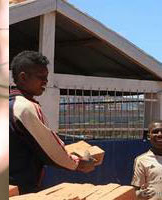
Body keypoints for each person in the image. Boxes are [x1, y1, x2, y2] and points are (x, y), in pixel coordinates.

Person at [7, 51, 96, 194]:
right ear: (23, 77)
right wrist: (79, 164)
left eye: (46, 77)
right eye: (41, 77)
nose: (45, 82)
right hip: (19, 189)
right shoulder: (24, 107)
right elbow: (50, 150)